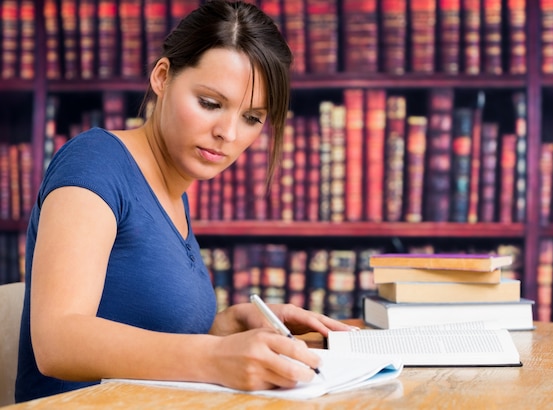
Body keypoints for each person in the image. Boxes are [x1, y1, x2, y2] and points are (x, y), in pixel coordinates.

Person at [15, 1, 355, 403]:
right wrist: (215, 355)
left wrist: (226, 328)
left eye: (252, 118)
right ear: (162, 77)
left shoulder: (172, 189)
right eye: (210, 103)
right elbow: (58, 342)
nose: (227, 133)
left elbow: (136, 329)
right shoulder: (95, 162)